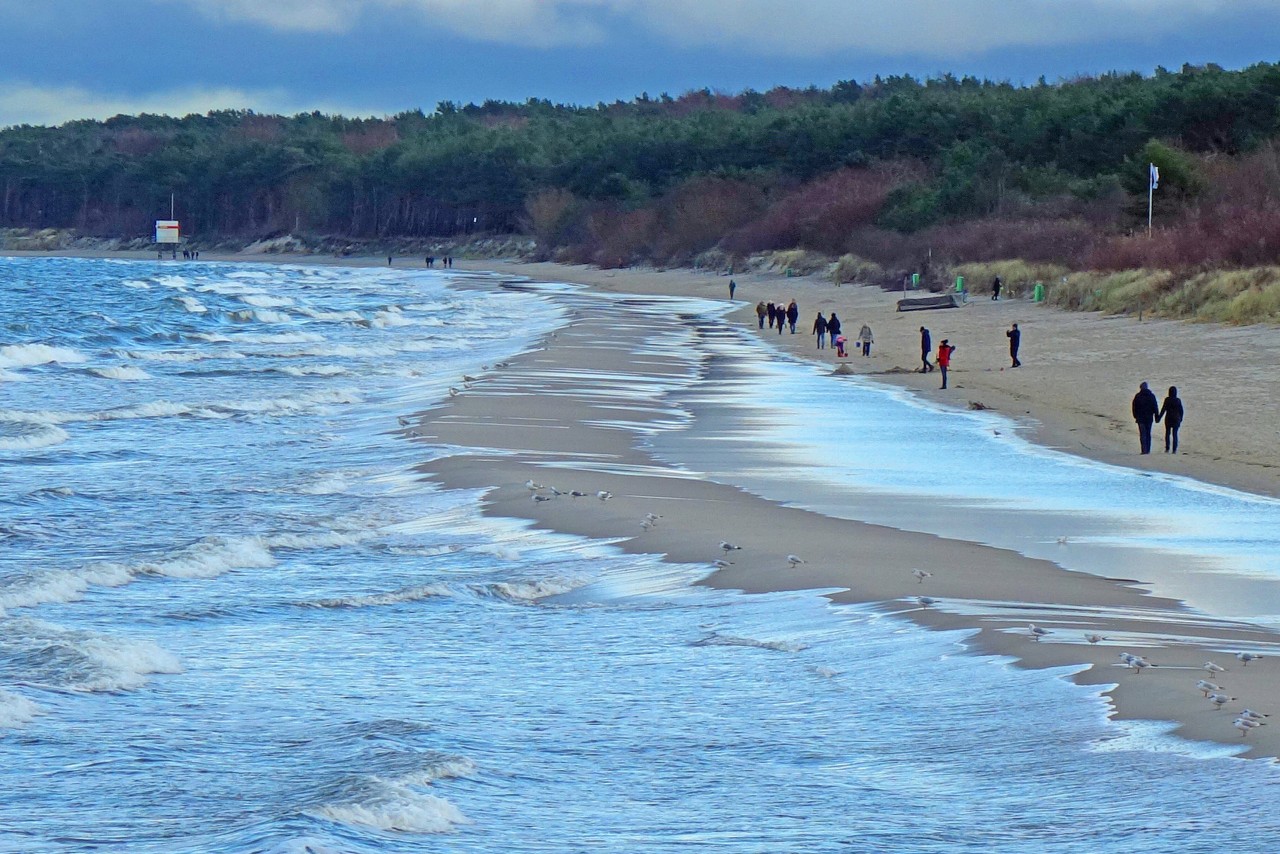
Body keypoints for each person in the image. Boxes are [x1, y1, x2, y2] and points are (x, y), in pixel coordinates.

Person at [1131, 381, 1160, 454]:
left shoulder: (1138, 396)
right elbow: (1155, 406)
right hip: (1149, 418)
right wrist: (1156, 416)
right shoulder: (1151, 396)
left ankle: (1144, 450)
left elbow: (1134, 407)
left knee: (1142, 434)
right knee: (1148, 434)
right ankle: (1148, 450)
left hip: (1140, 418)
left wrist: (1135, 416)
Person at [1158, 386, 1184, 453]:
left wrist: (1159, 418)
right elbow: (1181, 411)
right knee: (1175, 434)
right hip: (1176, 419)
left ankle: (1167, 448)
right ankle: (1174, 449)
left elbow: (1163, 410)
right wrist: (1181, 418)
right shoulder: (1178, 400)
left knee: (1167, 433)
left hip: (1168, 418)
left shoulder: (1167, 400)